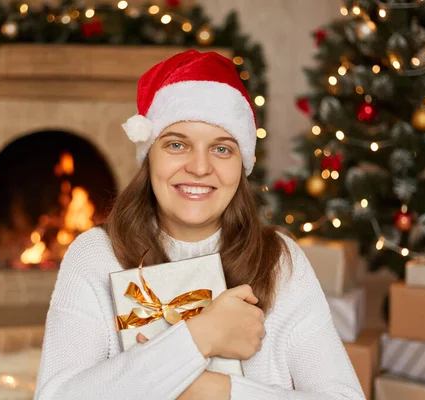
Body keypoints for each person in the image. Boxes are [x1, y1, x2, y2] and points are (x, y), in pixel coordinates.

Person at [35, 50, 365, 400]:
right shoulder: (95, 255)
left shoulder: (280, 259)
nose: (199, 167)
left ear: (242, 164)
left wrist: (212, 389)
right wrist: (200, 337)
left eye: (222, 149)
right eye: (177, 144)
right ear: (149, 158)